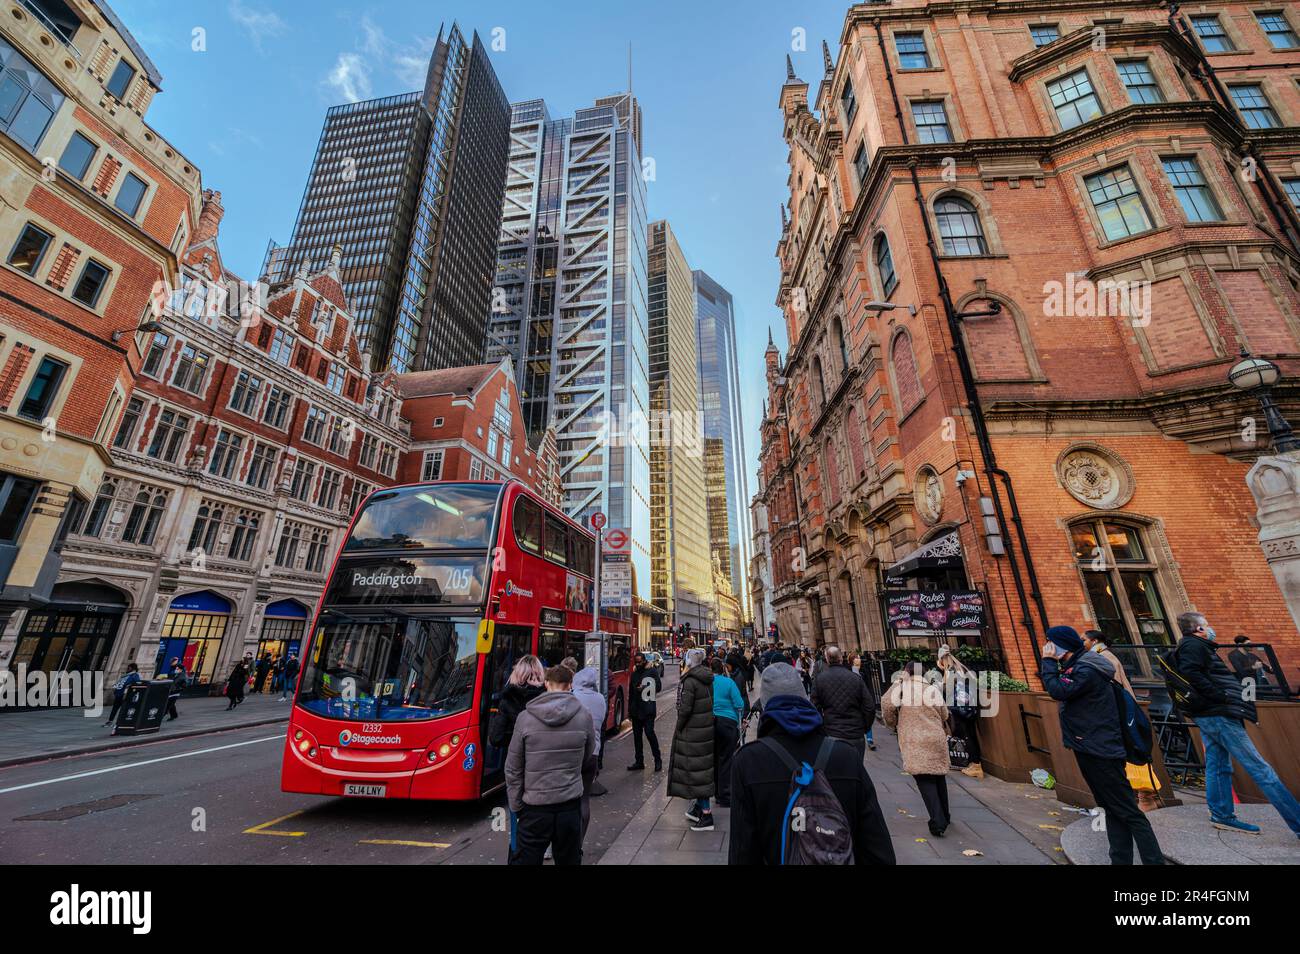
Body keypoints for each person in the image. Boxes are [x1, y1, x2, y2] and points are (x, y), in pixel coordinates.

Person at [728, 661, 895, 865]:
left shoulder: (748, 761)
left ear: (764, 704)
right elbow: (877, 848)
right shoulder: (846, 755)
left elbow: (742, 851)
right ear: (803, 697)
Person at [1041, 625, 1163, 864]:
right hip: (1091, 744)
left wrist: (1048, 662)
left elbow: (1057, 690)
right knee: (1111, 806)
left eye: (1049, 642)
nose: (1046, 647)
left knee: (1127, 810)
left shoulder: (1086, 669)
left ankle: (1153, 860)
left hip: (1099, 746)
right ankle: (1120, 858)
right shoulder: (1081, 666)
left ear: (1061, 645)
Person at [1172, 613, 1300, 839]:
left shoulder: (1197, 646)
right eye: (1207, 625)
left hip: (1211, 713)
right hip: (1218, 714)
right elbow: (1191, 673)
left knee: (1218, 764)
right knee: (1260, 769)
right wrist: (1220, 696)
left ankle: (1222, 814)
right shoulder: (1194, 646)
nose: (1211, 629)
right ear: (1199, 628)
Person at [505, 665, 596, 865]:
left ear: (546, 683)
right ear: (570, 685)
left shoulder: (525, 718)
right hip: (569, 805)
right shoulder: (584, 715)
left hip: (534, 807)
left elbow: (513, 768)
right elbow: (589, 753)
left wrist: (517, 805)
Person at [882, 662, 952, 836]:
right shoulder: (931, 689)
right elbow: (944, 714)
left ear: (906, 672)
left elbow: (886, 703)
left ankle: (938, 822)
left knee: (924, 778)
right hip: (935, 736)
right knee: (938, 776)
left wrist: (892, 724)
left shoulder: (903, 688)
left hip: (915, 740)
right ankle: (946, 815)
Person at [668, 648, 716, 832]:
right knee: (700, 770)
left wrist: (679, 726)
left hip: (693, 732)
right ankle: (699, 808)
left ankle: (706, 815)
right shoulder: (706, 677)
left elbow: (685, 709)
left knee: (696, 773)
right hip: (704, 728)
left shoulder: (690, 681)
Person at [810, 646, 875, 761]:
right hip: (856, 733)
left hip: (832, 733)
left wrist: (823, 728)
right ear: (841, 658)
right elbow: (869, 707)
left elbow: (814, 708)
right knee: (857, 769)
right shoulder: (855, 678)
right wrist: (864, 727)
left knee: (838, 771)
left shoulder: (819, 680)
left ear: (827, 659)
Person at [571, 666, 607, 842]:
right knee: (584, 800)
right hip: (593, 754)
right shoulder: (600, 699)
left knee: (567, 802)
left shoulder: (573, 697)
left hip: (575, 754)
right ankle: (579, 843)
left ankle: (556, 845)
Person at [936, 645, 983, 779]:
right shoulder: (961, 668)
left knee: (967, 735)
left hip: (959, 708)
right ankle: (974, 763)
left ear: (941, 659)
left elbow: (948, 690)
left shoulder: (950, 670)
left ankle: (976, 765)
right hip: (970, 706)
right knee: (971, 735)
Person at [709, 658, 744, 807]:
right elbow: (739, 704)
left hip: (710, 722)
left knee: (715, 758)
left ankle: (716, 791)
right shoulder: (729, 683)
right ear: (723, 669)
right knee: (726, 759)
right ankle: (724, 795)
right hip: (727, 723)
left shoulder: (707, 683)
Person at [627, 652, 663, 772]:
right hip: (636, 709)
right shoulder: (634, 673)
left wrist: (645, 688)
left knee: (649, 734)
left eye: (640, 662)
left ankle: (657, 760)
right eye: (636, 662)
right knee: (637, 737)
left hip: (648, 709)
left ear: (644, 661)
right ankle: (639, 761)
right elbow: (631, 693)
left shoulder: (652, 671)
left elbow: (658, 687)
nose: (638, 664)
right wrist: (629, 711)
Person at [1082, 630, 1134, 696]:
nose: (1082, 643)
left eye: (1083, 640)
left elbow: (1115, 681)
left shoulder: (1104, 656)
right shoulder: (1099, 654)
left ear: (1095, 641)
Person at [851, 654, 877, 750]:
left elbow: (868, 685)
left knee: (867, 718)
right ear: (852, 660)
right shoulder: (850, 671)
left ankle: (870, 740)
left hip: (864, 699)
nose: (859, 659)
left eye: (859, 658)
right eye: (856, 658)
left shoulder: (863, 671)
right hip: (855, 699)